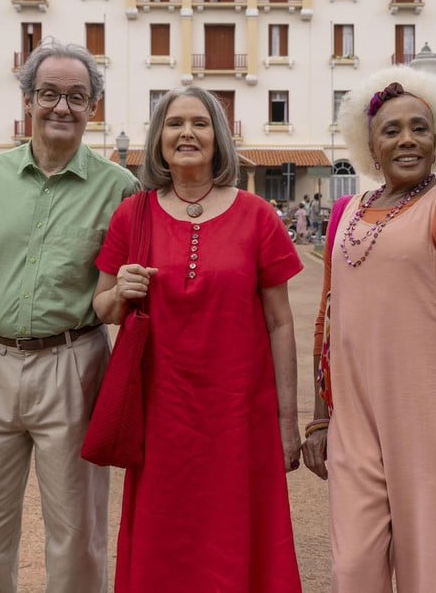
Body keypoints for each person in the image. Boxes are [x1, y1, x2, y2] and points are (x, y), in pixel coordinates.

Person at [301, 66, 436, 591]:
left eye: (419, 127)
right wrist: (321, 419)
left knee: (434, 573)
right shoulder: (346, 211)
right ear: (369, 143)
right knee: (354, 570)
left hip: (433, 423)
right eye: (391, 130)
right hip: (355, 422)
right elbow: (328, 319)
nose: (407, 139)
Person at [93, 86, 303, 592]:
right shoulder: (133, 214)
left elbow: (280, 322)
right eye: (174, 123)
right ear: (159, 138)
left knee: (237, 533)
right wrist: (120, 290)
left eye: (200, 123)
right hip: (162, 412)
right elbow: (101, 306)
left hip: (240, 414)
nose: (187, 132)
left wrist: (287, 421)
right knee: (167, 535)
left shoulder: (257, 215)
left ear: (218, 137)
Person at [0, 39, 137, 593]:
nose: (61, 107)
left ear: (93, 107)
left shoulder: (119, 189)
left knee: (77, 528)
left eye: (76, 96)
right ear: (28, 99)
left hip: (73, 364)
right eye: (49, 93)